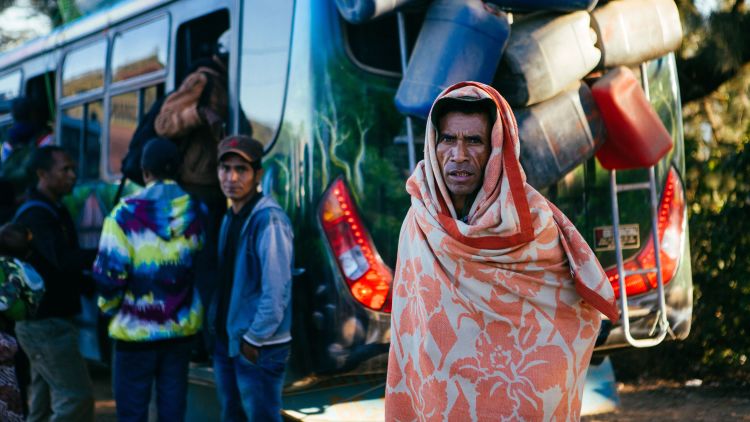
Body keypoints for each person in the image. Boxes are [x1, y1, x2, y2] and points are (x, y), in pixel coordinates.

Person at [384, 82, 619, 421]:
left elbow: (566, 310)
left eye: (474, 141)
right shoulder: (419, 220)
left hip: (513, 404)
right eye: (448, 139)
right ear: (432, 144)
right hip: (438, 399)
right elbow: (411, 326)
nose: (459, 155)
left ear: (497, 148)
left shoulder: (534, 223)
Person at [93, 138, 207, 422]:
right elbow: (204, 269)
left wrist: (108, 309)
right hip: (180, 333)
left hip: (134, 334)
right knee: (172, 411)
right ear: (179, 169)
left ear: (145, 172)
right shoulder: (198, 211)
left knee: (132, 413)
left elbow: (110, 277)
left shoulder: (122, 216)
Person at [209, 135, 293, 421]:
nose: (231, 177)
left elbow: (277, 291)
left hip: (258, 346)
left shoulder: (268, 219)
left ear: (257, 174)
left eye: (241, 169)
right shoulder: (230, 216)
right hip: (230, 342)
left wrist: (253, 339)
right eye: (225, 168)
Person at [12, 146, 95, 422]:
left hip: (44, 323)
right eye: (65, 170)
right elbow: (63, 259)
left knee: (41, 406)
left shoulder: (53, 210)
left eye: (73, 169)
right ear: (42, 174)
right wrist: (107, 254)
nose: (72, 175)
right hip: (46, 325)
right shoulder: (37, 215)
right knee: (76, 398)